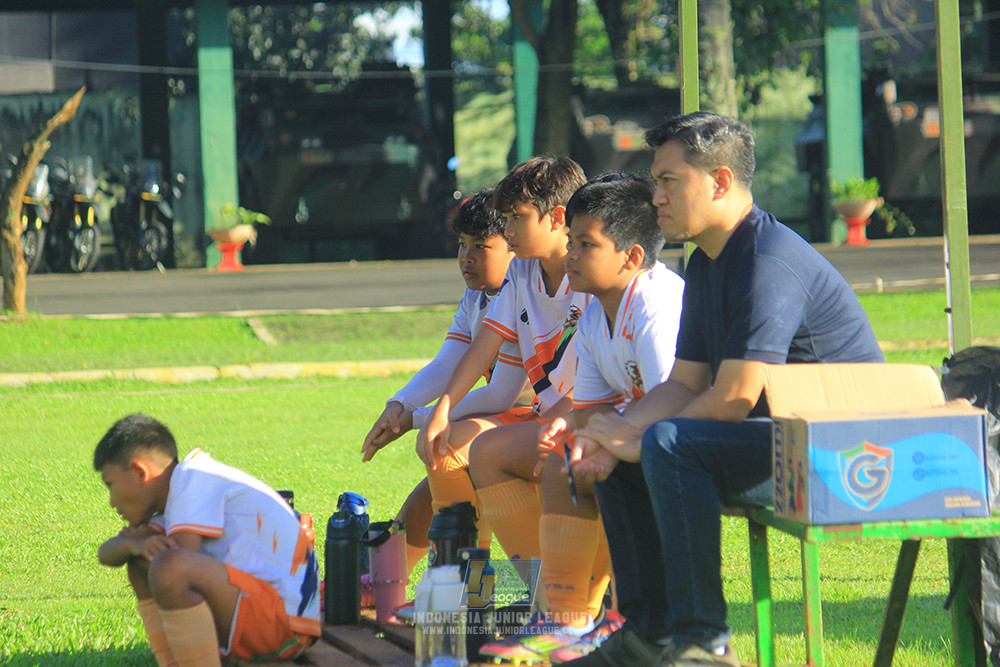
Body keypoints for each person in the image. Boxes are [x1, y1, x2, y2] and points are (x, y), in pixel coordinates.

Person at [566, 112, 885, 667]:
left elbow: (734, 396)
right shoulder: (709, 262)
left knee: (668, 443)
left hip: (848, 456)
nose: (655, 196)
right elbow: (684, 382)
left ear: (718, 182)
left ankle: (704, 643)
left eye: (668, 181)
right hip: (780, 441)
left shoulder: (767, 260)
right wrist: (616, 432)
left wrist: (643, 438)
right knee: (623, 444)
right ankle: (649, 636)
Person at [478, 173, 686, 663]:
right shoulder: (594, 312)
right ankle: (563, 618)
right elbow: (589, 407)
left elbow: (674, 403)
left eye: (585, 243)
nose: (570, 253)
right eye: (570, 240)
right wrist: (567, 427)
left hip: (683, 443)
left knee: (595, 464)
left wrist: (600, 440)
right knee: (563, 458)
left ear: (632, 257)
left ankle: (619, 615)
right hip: (637, 435)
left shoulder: (655, 309)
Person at [416, 155, 589, 576]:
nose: (507, 230)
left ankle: (548, 591)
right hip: (551, 419)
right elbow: (479, 349)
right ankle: (464, 587)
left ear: (557, 218)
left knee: (476, 452)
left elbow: (604, 380)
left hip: (592, 420)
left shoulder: (590, 272)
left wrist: (421, 414)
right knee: (444, 447)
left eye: (517, 218)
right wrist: (439, 412)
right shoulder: (523, 272)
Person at [360, 187, 528, 572]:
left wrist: (419, 420)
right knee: (424, 502)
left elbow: (503, 392)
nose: (466, 258)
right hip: (502, 420)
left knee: (445, 450)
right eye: (461, 244)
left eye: (481, 247)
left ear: (513, 246)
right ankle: (380, 580)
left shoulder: (520, 290)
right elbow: (448, 362)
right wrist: (399, 406)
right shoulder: (478, 296)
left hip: (535, 416)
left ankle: (468, 583)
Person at [94, 413, 320, 667]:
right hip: (269, 617)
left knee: (169, 567)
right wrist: (133, 544)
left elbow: (177, 561)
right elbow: (106, 553)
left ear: (139, 472)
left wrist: (143, 544)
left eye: (110, 484)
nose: (112, 501)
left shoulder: (193, 478)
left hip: (286, 625)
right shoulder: (175, 502)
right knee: (141, 561)